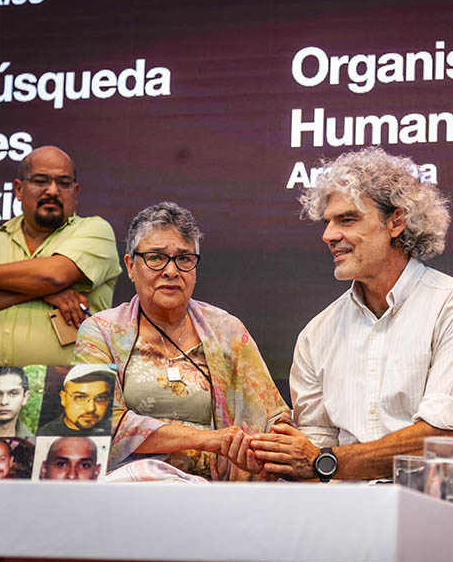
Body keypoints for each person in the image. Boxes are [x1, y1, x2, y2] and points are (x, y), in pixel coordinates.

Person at [249, 147, 453, 508]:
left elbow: (438, 442)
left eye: (347, 220)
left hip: (440, 483)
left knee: (404, 521)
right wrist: (275, 457)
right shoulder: (317, 333)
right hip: (347, 491)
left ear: (396, 222)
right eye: (327, 222)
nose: (328, 235)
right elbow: (313, 449)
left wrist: (325, 462)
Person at [74, 202, 291, 481]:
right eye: (156, 258)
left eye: (184, 259)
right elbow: (97, 422)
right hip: (129, 486)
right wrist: (207, 439)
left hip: (211, 489)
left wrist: (268, 445)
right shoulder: (101, 331)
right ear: (130, 266)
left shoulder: (227, 330)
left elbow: (273, 417)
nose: (171, 271)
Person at [0, 145, 122, 374]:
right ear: (19, 189)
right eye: (41, 181)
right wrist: (50, 293)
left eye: (64, 183)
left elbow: (54, 276)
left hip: (77, 385)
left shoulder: (95, 230)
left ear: (75, 191)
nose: (53, 191)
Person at [38, 365, 115, 436]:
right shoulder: (45, 434)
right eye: (80, 397)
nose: (91, 408)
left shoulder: (113, 431)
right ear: (64, 398)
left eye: (101, 398)